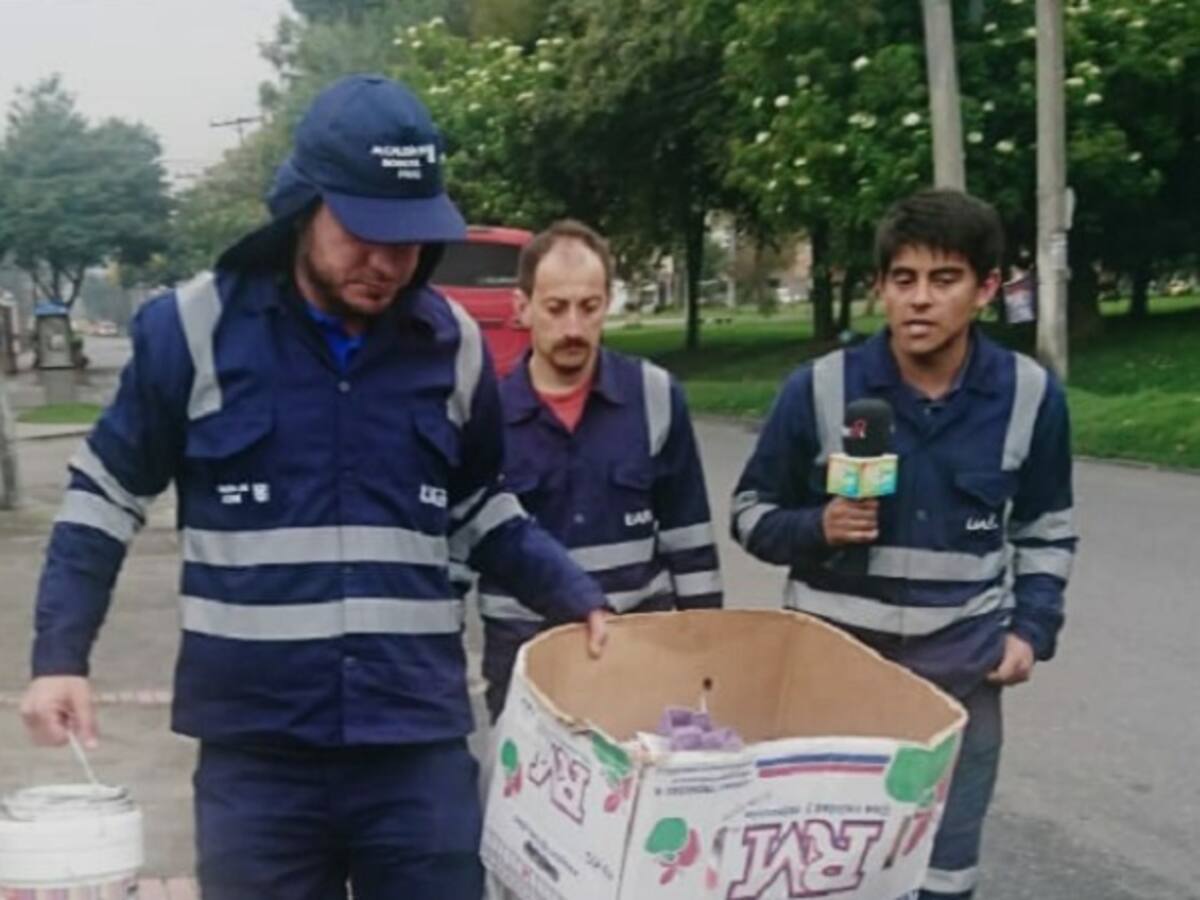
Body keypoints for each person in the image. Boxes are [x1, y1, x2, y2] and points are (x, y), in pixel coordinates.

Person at [19, 74, 609, 900]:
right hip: (259, 761)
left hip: (414, 747)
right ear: (305, 207)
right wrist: (59, 658)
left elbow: (481, 508)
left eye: (407, 239)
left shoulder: (456, 346)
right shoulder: (192, 332)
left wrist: (577, 595)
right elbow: (101, 500)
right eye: (364, 232)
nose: (387, 262)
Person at [731, 188, 1076, 899]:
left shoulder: (1031, 397)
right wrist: (816, 527)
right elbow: (748, 512)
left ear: (984, 289)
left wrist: (1031, 630)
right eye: (903, 279)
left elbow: (1046, 529)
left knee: (944, 877)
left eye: (943, 280)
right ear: (880, 288)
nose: (919, 300)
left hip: (959, 684)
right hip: (829, 682)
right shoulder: (818, 389)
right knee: (819, 877)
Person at [477, 219, 722, 722]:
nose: (573, 328)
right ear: (521, 308)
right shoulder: (485, 415)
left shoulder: (655, 397)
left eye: (589, 308)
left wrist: (705, 660)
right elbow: (459, 555)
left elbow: (690, 541)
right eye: (555, 307)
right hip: (528, 661)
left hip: (641, 655)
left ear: (608, 302)